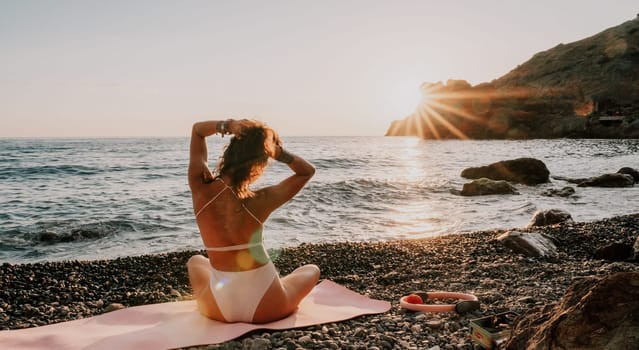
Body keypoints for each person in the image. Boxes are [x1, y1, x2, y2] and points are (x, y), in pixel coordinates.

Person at [186, 119, 320, 324]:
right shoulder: (261, 200)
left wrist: (228, 126)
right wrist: (277, 153)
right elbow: (307, 171)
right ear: (260, 162)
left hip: (219, 310)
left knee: (196, 261)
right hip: (268, 307)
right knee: (311, 269)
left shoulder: (200, 186)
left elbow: (198, 131)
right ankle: (275, 284)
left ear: (230, 152)